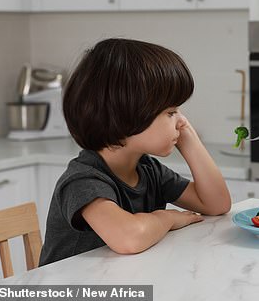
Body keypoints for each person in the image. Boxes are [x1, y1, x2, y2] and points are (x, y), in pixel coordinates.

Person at [39, 38, 231, 265]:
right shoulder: (83, 180)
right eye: (171, 112)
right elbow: (129, 238)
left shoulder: (147, 170)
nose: (181, 121)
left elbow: (216, 204)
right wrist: (166, 217)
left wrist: (188, 138)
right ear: (126, 115)